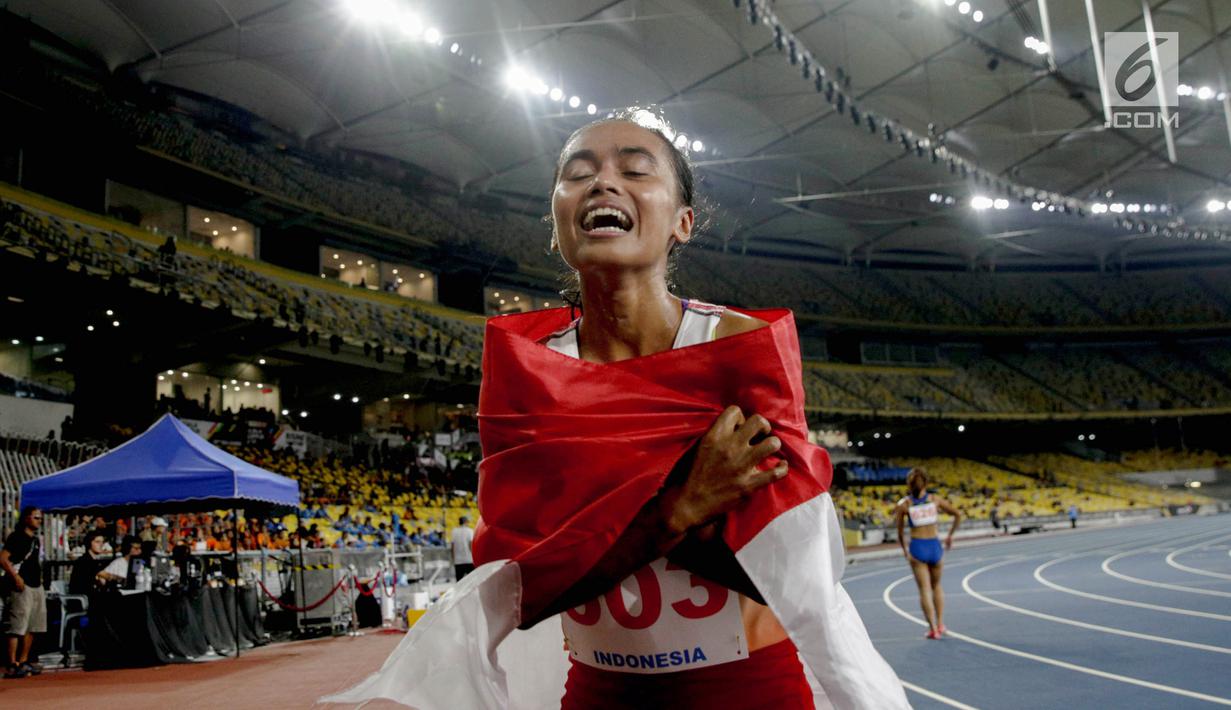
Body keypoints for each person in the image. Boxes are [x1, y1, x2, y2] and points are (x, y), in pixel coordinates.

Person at [894, 468, 962, 640]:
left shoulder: (904, 505)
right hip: (935, 546)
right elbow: (957, 514)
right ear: (926, 483)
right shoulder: (935, 500)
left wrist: (905, 551)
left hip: (918, 547)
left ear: (909, 484)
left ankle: (933, 629)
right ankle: (940, 623)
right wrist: (950, 536)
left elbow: (900, 533)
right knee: (937, 587)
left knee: (924, 589)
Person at [1, 507, 46, 679]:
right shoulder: (17, 537)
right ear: (26, 518)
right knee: (17, 625)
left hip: (36, 584)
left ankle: (24, 660)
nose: (38, 521)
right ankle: (12, 663)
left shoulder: (36, 540)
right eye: (36, 517)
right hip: (22, 585)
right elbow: (3, 558)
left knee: (33, 625)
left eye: (40, 518)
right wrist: (16, 577)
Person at [68, 531, 110, 595]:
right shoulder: (86, 560)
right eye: (97, 542)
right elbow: (107, 576)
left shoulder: (93, 560)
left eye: (102, 542)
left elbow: (100, 581)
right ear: (89, 543)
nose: (101, 545)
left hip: (90, 594)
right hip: (83, 598)